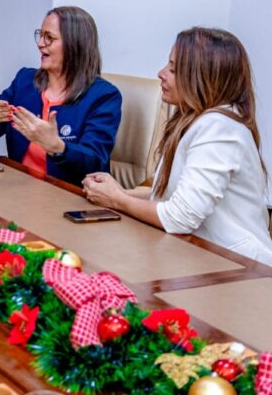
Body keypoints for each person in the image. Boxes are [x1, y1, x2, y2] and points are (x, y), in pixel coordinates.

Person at [83, 27, 272, 265]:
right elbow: (175, 194)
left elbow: (179, 217)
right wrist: (121, 192)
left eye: (173, 69)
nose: (161, 73)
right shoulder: (198, 120)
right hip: (203, 259)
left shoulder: (218, 127)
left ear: (202, 77)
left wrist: (118, 200)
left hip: (240, 270)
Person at [0, 6, 122, 186]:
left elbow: (95, 161)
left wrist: (57, 147)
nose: (40, 43)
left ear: (74, 44)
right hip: (19, 189)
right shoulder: (24, 81)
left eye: (49, 38)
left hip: (67, 198)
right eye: (41, 35)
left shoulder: (104, 96)